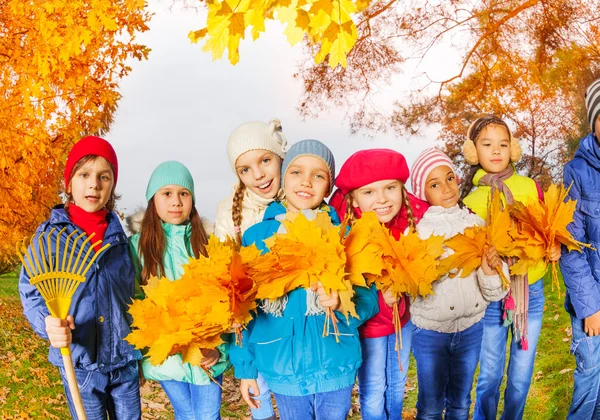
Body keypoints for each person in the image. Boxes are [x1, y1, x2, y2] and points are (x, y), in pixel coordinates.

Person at [231, 139, 379, 420]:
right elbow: (242, 309)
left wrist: (341, 300)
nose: (306, 181)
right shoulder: (257, 237)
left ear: (329, 186)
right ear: (284, 177)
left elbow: (369, 300)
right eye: (296, 172)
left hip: (336, 363)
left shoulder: (344, 235)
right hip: (281, 366)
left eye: (318, 175)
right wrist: (246, 369)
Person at [19, 136, 142, 418]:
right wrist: (47, 324)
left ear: (112, 186)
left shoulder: (120, 239)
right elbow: (30, 291)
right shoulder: (50, 237)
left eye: (104, 177)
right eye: (84, 174)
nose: (94, 184)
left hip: (123, 361)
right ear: (68, 183)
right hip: (80, 363)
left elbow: (130, 293)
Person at [409, 147, 507, 419]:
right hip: (431, 333)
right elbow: (408, 284)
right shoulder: (417, 232)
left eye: (450, 178)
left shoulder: (477, 224)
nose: (446, 188)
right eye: (435, 184)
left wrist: (489, 271)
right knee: (429, 406)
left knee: (461, 403)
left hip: (470, 330)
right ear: (422, 192)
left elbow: (499, 289)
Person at [129, 161, 230, 420]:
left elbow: (223, 303)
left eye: (184, 194)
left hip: (206, 353)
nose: (176, 201)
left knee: (207, 415)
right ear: (153, 200)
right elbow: (135, 302)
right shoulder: (138, 247)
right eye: (167, 193)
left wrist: (220, 350)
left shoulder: (207, 244)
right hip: (168, 354)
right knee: (186, 413)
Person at [560, 77, 600, 419]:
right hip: (593, 299)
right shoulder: (576, 172)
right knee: (590, 378)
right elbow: (572, 247)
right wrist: (590, 307)